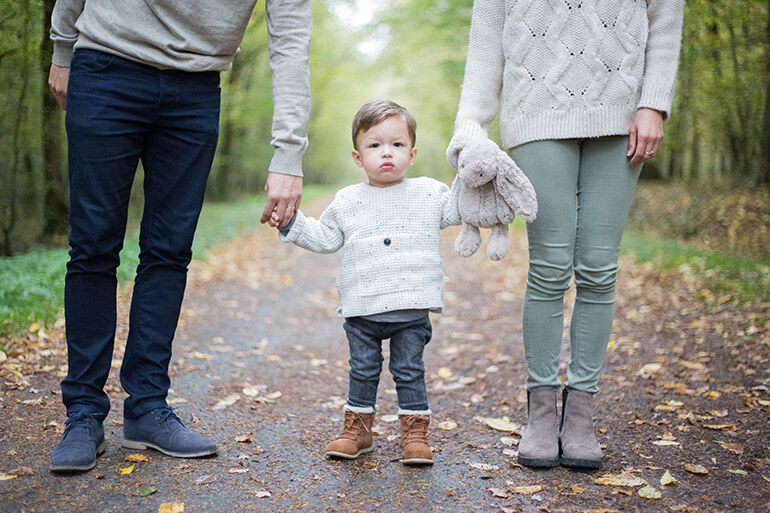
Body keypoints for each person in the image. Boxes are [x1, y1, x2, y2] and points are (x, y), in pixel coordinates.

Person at [47, 0, 311, 472]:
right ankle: (83, 413)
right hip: (108, 63)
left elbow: (291, 40)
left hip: (196, 85)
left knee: (169, 252)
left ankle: (147, 407)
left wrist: (289, 153)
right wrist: (63, 48)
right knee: (93, 247)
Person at [448, 0, 684, 469]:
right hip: (535, 112)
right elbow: (486, 40)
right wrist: (470, 125)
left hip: (623, 116)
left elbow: (666, 16)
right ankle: (540, 412)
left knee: (599, 268)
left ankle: (579, 414)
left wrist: (654, 101)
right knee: (550, 266)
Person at [273, 100, 460, 465]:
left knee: (409, 371)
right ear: (358, 157)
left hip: (410, 306)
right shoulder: (347, 200)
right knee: (363, 370)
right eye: (374, 145)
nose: (386, 153)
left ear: (412, 153)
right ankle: (358, 429)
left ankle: (415, 432)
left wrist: (473, 176)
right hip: (363, 308)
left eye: (397, 144)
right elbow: (326, 238)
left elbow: (459, 210)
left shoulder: (430, 194)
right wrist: (290, 222)